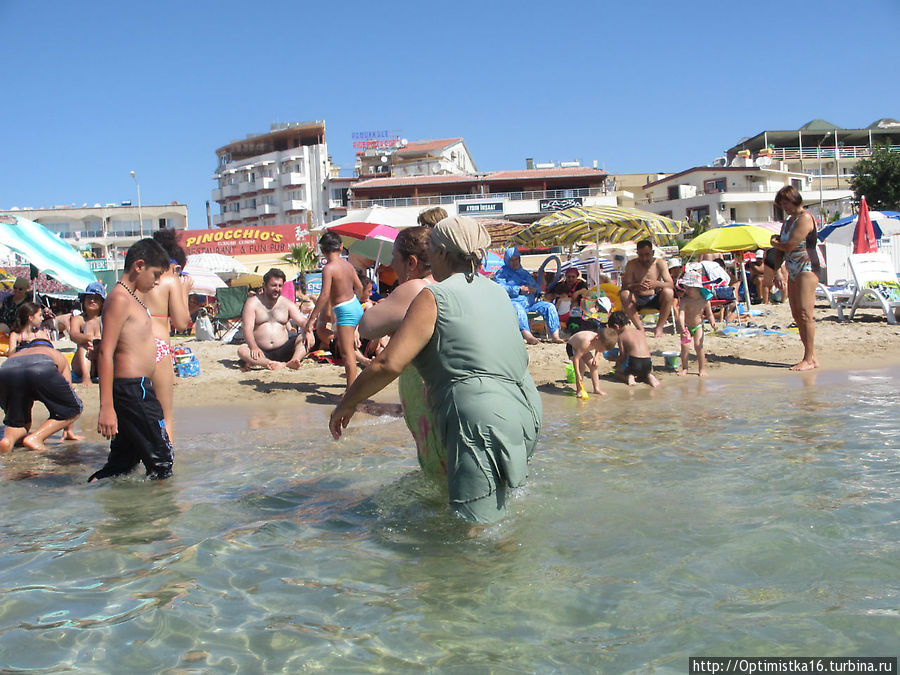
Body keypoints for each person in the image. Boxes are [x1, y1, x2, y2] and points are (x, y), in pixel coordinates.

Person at [329, 216, 542, 524]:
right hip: (526, 410)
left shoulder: (434, 296)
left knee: (475, 533)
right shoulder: (497, 292)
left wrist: (347, 403)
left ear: (441, 255)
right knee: (501, 516)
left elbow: (389, 363)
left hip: (479, 417)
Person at [89, 238, 175, 482]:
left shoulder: (132, 297)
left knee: (123, 463)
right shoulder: (119, 299)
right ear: (139, 266)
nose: (157, 281)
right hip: (132, 390)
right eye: (155, 274)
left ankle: (116, 512)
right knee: (162, 459)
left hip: (137, 389)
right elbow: (106, 352)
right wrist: (106, 407)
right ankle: (161, 518)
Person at [147, 229, 194, 439]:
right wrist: (184, 291)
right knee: (165, 417)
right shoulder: (170, 281)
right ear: (175, 266)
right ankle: (168, 466)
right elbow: (182, 323)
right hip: (158, 347)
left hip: (130, 348)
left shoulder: (135, 281)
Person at [0, 339, 83, 453]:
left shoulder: (17, 354)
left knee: (18, 421)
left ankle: (8, 440)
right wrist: (68, 430)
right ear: (51, 347)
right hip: (41, 366)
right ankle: (36, 438)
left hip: (6, 369)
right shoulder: (55, 354)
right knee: (74, 408)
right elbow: (69, 393)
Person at [769, 185, 820, 370]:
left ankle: (808, 358)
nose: (785, 208)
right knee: (797, 315)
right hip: (792, 268)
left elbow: (789, 245)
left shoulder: (805, 218)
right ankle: (811, 356)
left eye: (787, 203)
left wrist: (774, 242)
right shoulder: (789, 221)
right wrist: (777, 270)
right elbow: (780, 250)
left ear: (795, 199)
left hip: (807, 266)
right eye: (782, 205)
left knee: (806, 313)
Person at [304, 232, 364, 388]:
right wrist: (351, 300)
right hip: (354, 306)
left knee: (347, 353)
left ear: (323, 251)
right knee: (348, 349)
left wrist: (311, 319)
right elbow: (360, 287)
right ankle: (351, 376)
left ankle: (350, 392)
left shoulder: (328, 269)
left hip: (344, 310)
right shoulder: (348, 265)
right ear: (341, 247)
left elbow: (323, 296)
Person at [238, 268, 310, 371]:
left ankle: (293, 361)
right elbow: (247, 329)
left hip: (285, 348)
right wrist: (253, 347)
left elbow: (302, 321)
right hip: (261, 352)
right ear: (264, 285)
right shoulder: (252, 303)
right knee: (242, 350)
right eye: (273, 285)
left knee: (306, 338)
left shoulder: (286, 303)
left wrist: (309, 331)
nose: (277, 289)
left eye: (280, 286)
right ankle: (269, 363)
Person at [494, 247, 564, 344]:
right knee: (518, 309)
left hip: (531, 305)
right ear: (507, 260)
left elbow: (537, 287)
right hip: (513, 304)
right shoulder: (501, 273)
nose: (515, 262)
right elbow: (500, 287)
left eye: (516, 259)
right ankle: (528, 336)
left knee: (549, 307)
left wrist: (535, 290)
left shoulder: (525, 273)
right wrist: (518, 290)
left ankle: (555, 336)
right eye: (512, 260)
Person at [620, 239, 675, 338]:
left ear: (653, 253)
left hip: (655, 297)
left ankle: (659, 327)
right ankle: (640, 328)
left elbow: (670, 284)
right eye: (641, 255)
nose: (644, 258)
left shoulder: (660, 263)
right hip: (638, 298)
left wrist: (657, 283)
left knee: (669, 292)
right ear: (637, 253)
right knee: (624, 294)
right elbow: (624, 286)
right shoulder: (632, 264)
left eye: (647, 254)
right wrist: (636, 285)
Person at [677, 268, 718, 377]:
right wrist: (681, 328)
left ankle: (702, 369)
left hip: (698, 326)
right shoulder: (685, 300)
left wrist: (712, 322)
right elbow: (681, 315)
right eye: (686, 288)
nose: (688, 290)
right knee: (685, 347)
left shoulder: (704, 301)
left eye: (691, 288)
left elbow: (709, 314)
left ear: (698, 288)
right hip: (686, 326)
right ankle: (685, 368)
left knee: (698, 346)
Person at [607, 310, 660, 387]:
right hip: (648, 364)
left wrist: (613, 359)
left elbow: (623, 357)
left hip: (634, 364)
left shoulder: (621, 336)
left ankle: (629, 377)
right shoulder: (640, 332)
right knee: (643, 372)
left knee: (617, 373)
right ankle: (649, 376)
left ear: (616, 326)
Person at [69, 281, 106, 384]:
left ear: (102, 302)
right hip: (81, 364)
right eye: (89, 297)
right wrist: (91, 340)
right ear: (83, 301)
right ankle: (86, 378)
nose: (92, 300)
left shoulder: (106, 319)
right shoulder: (79, 319)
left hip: (101, 360)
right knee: (83, 346)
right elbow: (73, 335)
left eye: (96, 298)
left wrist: (98, 347)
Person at [566, 327, 618, 398]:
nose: (601, 351)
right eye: (601, 349)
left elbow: (598, 350)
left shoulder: (599, 340)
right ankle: (579, 390)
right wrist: (577, 374)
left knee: (593, 366)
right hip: (572, 347)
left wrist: (596, 358)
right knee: (582, 367)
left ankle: (596, 389)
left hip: (583, 349)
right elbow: (576, 358)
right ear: (597, 340)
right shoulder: (586, 342)